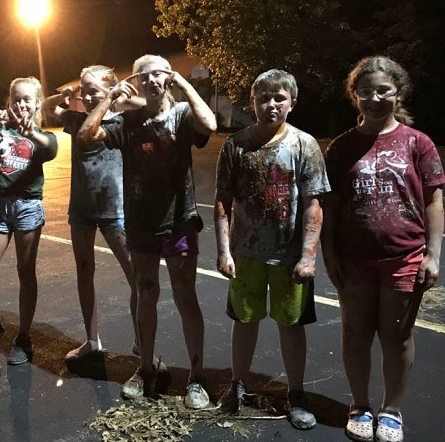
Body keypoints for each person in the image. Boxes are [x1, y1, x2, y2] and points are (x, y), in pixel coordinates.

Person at [78, 54, 216, 404]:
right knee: (145, 294)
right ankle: (145, 369)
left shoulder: (182, 115)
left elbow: (209, 125)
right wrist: (109, 98)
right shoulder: (127, 121)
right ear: (136, 83)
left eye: (158, 75)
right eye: (144, 77)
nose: (152, 81)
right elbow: (85, 135)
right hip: (141, 224)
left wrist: (184, 84)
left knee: (186, 295)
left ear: (167, 78)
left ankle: (196, 377)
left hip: (181, 221)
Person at [322, 56, 444, 442]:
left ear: (398, 92)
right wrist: (328, 255)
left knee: (398, 335)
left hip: (404, 257)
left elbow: (433, 201)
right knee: (355, 332)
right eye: (365, 91)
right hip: (353, 259)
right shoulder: (342, 148)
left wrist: (433, 253)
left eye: (383, 90)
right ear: (354, 96)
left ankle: (391, 410)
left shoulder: (417, 143)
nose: (374, 98)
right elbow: (330, 206)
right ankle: (359, 404)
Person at [214, 69, 329, 429]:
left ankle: (296, 392)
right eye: (263, 97)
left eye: (279, 97)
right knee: (244, 320)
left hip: (288, 256)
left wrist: (309, 256)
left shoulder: (304, 145)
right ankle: (238, 385)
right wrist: (223, 251)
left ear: (292, 102)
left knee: (291, 324)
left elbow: (312, 204)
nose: (271, 104)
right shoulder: (236, 145)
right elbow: (222, 202)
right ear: (253, 102)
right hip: (246, 254)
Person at [42, 65, 137, 361]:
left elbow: (142, 105)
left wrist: (113, 99)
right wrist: (64, 94)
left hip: (115, 212)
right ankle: (92, 340)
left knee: (136, 277)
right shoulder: (75, 119)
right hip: (81, 210)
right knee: (85, 272)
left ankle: (141, 343)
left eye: (94, 90)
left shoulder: (122, 122)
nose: (87, 96)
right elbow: (43, 109)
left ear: (109, 88)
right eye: (84, 91)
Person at [0, 76, 58, 365]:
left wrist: (30, 131)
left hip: (27, 208)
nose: (21, 104)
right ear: (9, 101)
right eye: (16, 99)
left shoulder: (42, 137)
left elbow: (50, 146)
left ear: (36, 104)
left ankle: (23, 336)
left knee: (25, 272)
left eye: (27, 99)